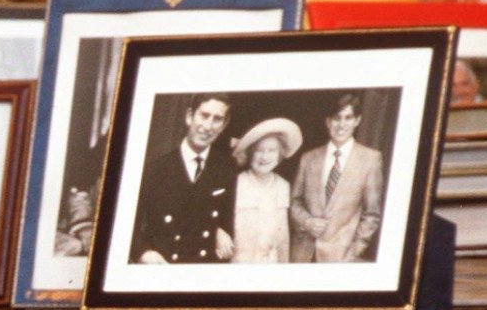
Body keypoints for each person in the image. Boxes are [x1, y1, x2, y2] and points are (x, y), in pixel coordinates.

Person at [131, 93, 238, 264]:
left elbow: (227, 222)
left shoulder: (226, 168)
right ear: (189, 116)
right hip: (163, 267)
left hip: (204, 270)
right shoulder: (155, 169)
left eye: (217, 119)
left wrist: (217, 229)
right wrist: (144, 253)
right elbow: (129, 226)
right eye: (204, 115)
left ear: (223, 126)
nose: (208, 126)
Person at [289, 92, 385, 263]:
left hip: (341, 257)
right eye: (336, 118)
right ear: (328, 122)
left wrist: (353, 252)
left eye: (348, 118)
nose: (341, 124)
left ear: (357, 120)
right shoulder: (308, 158)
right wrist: (307, 221)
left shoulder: (371, 159)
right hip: (302, 255)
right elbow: (295, 201)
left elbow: (372, 214)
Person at [230, 117, 302, 265]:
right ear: (250, 154)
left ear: (280, 154)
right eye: (259, 151)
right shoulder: (236, 183)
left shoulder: (283, 186)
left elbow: (283, 236)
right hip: (239, 262)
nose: (264, 157)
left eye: (271, 150)